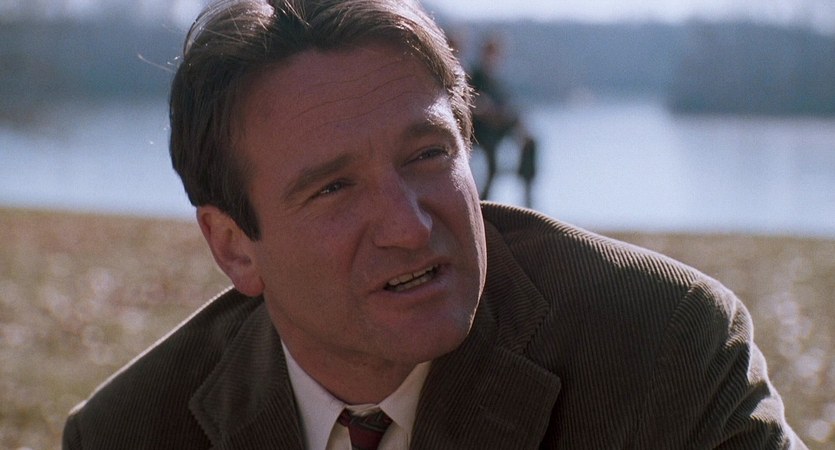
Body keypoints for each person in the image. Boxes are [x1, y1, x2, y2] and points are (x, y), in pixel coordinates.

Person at [63, 0, 805, 448]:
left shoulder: (665, 346)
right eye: (333, 189)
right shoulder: (130, 432)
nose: (410, 228)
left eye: (426, 155)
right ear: (234, 248)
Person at [469, 36, 537, 206]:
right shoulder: (474, 76)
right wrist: (487, 111)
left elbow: (507, 107)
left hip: (498, 128)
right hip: (479, 130)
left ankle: (527, 193)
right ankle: (484, 200)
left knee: (530, 142)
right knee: (490, 153)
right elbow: (472, 102)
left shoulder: (496, 82)